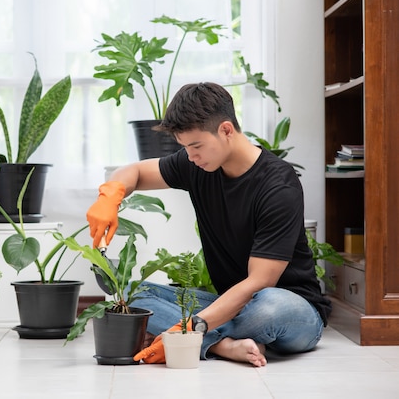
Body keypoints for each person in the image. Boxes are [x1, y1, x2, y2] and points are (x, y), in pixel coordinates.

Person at [86, 82, 331, 367]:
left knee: (267, 304)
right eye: (185, 148)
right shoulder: (198, 164)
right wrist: (110, 195)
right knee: (131, 293)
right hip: (228, 305)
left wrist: (190, 328)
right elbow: (136, 171)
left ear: (226, 130)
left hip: (292, 312)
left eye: (196, 146)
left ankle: (197, 339)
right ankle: (225, 346)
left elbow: (260, 282)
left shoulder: (278, 185)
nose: (190, 156)